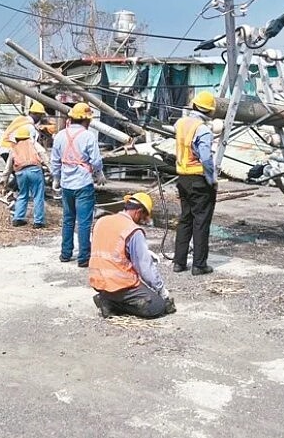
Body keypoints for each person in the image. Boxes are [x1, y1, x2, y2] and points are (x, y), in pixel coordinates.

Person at [89, 193, 175, 318]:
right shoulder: (132, 229)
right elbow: (145, 267)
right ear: (139, 212)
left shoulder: (102, 221)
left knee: (119, 292)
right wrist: (162, 291)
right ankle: (112, 303)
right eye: (144, 217)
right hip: (119, 284)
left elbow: (107, 247)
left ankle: (107, 298)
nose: (144, 221)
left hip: (99, 281)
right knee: (158, 307)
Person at [50, 103, 105, 267]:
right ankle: (83, 258)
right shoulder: (88, 136)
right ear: (85, 120)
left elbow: (55, 160)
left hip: (66, 184)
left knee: (68, 220)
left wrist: (56, 178)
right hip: (83, 184)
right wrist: (99, 173)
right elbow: (95, 160)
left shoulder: (60, 136)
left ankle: (65, 254)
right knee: (84, 222)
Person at [173, 91, 217, 276]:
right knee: (201, 222)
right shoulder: (203, 130)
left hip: (182, 177)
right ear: (209, 111)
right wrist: (212, 179)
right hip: (198, 179)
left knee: (185, 220)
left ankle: (179, 262)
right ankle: (199, 265)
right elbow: (206, 159)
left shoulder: (181, 123)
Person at [0, 126, 49, 228]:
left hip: (20, 173)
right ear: (29, 137)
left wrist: (4, 181)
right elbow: (44, 156)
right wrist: (52, 171)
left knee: (22, 194)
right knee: (38, 196)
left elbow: (8, 167)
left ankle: (18, 218)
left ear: (17, 138)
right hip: (35, 170)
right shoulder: (34, 144)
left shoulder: (14, 148)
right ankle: (38, 221)